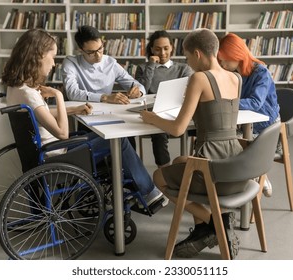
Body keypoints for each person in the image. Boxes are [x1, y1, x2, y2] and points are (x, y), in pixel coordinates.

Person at [2, 28, 166, 209]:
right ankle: (149, 192)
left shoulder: (16, 87)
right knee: (118, 142)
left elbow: (40, 115)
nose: (54, 64)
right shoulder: (30, 93)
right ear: (39, 56)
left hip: (43, 151)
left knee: (108, 138)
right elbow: (63, 134)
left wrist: (73, 110)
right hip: (57, 155)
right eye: (52, 57)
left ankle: (133, 187)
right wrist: (58, 95)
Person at [141, 28, 242, 258]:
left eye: (186, 57)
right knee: (179, 161)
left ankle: (216, 224)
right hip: (235, 163)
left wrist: (151, 118)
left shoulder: (199, 77)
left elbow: (177, 129)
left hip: (211, 164)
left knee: (159, 177)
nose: (187, 62)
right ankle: (202, 230)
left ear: (197, 54)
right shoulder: (236, 77)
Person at [217, 32, 281, 197]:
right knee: (224, 141)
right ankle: (241, 182)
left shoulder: (261, 72)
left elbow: (254, 103)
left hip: (265, 123)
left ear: (236, 55)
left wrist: (226, 102)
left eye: (223, 58)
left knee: (232, 143)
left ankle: (257, 176)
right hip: (243, 121)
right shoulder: (232, 72)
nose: (221, 63)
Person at [62, 25, 144, 149]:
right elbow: (72, 93)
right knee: (93, 146)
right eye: (91, 52)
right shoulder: (71, 62)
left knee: (128, 136)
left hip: (110, 115)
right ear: (80, 50)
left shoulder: (110, 63)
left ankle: (122, 167)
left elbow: (136, 84)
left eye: (100, 49)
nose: (98, 55)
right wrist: (105, 97)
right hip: (86, 115)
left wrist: (139, 92)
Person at [135, 30, 193, 167]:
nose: (162, 53)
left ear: (172, 47)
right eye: (157, 49)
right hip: (155, 111)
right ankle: (165, 170)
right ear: (151, 49)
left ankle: (191, 168)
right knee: (158, 131)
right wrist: (151, 66)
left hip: (177, 111)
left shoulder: (183, 68)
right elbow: (142, 90)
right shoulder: (143, 68)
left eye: (166, 48)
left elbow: (187, 91)